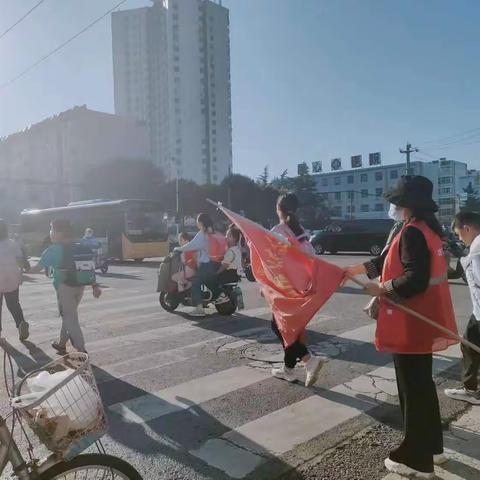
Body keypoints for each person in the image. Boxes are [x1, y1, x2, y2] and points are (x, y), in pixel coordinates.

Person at [344, 176, 458, 479]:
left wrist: (381, 290)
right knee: (421, 387)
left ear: (406, 205)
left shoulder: (411, 233)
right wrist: (353, 271)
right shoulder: (427, 230)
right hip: (422, 320)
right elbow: (385, 260)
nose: (392, 206)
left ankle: (416, 460)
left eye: (395, 201)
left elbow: (414, 279)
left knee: (413, 390)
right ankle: (434, 448)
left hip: (411, 320)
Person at [270, 193, 324, 387]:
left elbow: (272, 260)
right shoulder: (301, 231)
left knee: (280, 327)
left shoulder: (277, 231)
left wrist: (267, 284)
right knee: (291, 329)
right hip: (301, 288)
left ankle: (309, 360)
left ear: (279, 210)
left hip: (284, 288)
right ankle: (289, 370)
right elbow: (311, 257)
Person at [30, 219, 102, 355]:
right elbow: (89, 267)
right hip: (80, 285)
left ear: (59, 233)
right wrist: (94, 286)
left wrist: (20, 271)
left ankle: (81, 349)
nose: (50, 232)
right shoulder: (79, 246)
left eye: (51, 229)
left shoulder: (53, 250)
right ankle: (62, 344)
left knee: (70, 317)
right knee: (69, 315)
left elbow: (37, 268)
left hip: (65, 287)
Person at [444, 211, 480, 405]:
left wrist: (464, 258)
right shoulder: (474, 248)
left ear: (467, 228)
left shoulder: (478, 248)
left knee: (470, 346)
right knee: (469, 345)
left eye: (459, 234)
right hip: (478, 311)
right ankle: (471, 388)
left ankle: (471, 390)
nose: (460, 239)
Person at [174, 213, 225, 317]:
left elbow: (192, 245)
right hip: (216, 263)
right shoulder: (213, 232)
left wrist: (178, 249)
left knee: (196, 282)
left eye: (197, 221)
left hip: (206, 264)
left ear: (201, 222)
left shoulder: (202, 233)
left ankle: (199, 309)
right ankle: (221, 296)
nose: (196, 223)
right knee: (208, 281)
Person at [0, 220, 29, 341]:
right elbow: (19, 259)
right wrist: (21, 272)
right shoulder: (12, 243)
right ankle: (21, 323)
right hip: (12, 276)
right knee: (13, 303)